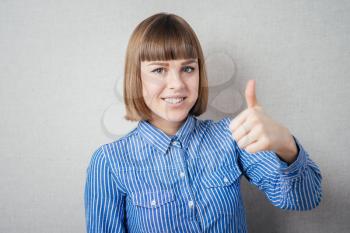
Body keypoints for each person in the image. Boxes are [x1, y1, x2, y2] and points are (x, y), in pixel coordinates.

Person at [84, 12, 322, 233]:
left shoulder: (232, 137)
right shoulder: (109, 162)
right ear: (136, 78)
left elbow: (305, 198)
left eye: (188, 68)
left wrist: (285, 145)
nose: (177, 83)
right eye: (159, 70)